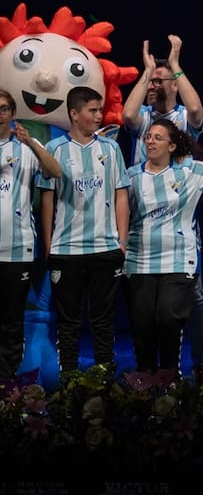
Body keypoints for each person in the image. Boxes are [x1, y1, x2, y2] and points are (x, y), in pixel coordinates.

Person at [38, 86, 130, 374]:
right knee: (69, 321)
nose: (98, 116)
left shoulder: (111, 148)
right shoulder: (55, 150)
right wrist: (49, 244)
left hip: (105, 248)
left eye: (99, 110)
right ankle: (69, 382)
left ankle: (104, 379)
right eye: (92, 111)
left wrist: (122, 241)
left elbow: (121, 195)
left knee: (103, 319)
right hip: (68, 251)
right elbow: (47, 197)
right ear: (74, 114)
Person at [123, 119, 203, 374]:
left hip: (178, 259)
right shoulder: (131, 176)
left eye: (158, 137)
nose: (150, 141)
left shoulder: (190, 172)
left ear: (172, 146)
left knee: (168, 319)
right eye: (148, 137)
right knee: (142, 322)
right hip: (138, 259)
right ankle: (144, 380)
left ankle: (168, 379)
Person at [0, 89, 62, 377]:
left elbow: (55, 171)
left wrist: (31, 144)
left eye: (3, 108)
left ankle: (8, 389)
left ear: (12, 114)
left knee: (12, 321)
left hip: (17, 250)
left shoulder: (27, 146)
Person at [121, 36, 203, 165]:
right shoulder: (144, 115)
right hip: (145, 183)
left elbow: (195, 109)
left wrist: (175, 65)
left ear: (175, 85)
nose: (149, 87)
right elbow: (128, 115)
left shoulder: (184, 116)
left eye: (157, 81)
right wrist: (148, 71)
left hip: (180, 183)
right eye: (149, 81)